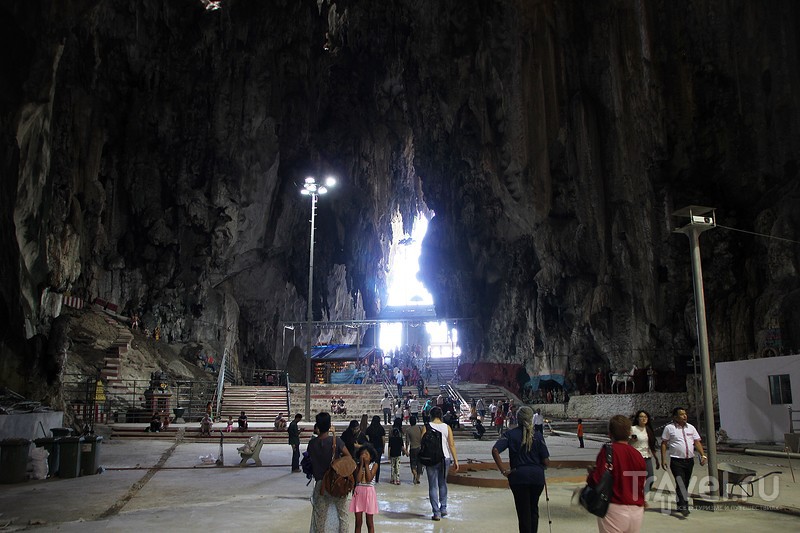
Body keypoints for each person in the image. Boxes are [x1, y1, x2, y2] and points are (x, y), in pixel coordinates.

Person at [492, 406, 550, 533]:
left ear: (517, 419)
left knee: (523, 512)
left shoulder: (510, 434)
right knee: (533, 509)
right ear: (531, 419)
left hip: (518, 477)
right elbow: (546, 461)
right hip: (537, 477)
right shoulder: (538, 436)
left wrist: (504, 471)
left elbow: (495, 450)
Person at [587, 415, 646, 532]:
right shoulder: (637, 454)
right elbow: (641, 481)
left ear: (610, 434)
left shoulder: (608, 451)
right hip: (636, 510)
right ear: (629, 432)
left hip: (615, 507)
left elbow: (596, 479)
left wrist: (592, 473)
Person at [306, 412, 351, 533]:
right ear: (330, 425)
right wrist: (334, 434)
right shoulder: (336, 441)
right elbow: (348, 457)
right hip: (337, 482)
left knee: (320, 517)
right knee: (343, 515)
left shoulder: (312, 444)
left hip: (320, 484)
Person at [660, 406, 706, 517]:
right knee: (680, 482)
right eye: (681, 414)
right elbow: (664, 444)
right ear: (675, 417)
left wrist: (703, 455)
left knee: (685, 482)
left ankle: (680, 502)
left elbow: (697, 442)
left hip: (689, 460)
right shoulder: (669, 428)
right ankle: (683, 507)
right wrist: (663, 459)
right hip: (676, 461)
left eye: (685, 414)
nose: (684, 416)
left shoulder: (691, 428)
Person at [422, 406, 459, 521]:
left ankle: (436, 513)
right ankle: (443, 508)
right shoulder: (446, 427)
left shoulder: (426, 427)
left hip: (430, 459)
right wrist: (456, 460)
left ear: (431, 415)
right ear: (441, 415)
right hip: (445, 458)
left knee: (432, 486)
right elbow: (451, 445)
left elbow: (422, 444)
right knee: (442, 484)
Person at [350, 443, 379, 533]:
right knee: (358, 522)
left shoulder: (374, 465)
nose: (364, 456)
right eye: (362, 454)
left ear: (371, 456)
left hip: (369, 493)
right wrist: (362, 464)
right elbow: (358, 480)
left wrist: (366, 465)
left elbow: (369, 478)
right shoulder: (357, 466)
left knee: (369, 522)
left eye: (366, 454)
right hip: (359, 493)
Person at [630, 410, 659, 496]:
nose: (643, 419)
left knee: (650, 478)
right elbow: (625, 441)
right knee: (636, 479)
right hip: (635, 457)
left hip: (647, 457)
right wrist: (631, 439)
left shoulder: (648, 430)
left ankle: (642, 495)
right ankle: (635, 497)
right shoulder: (633, 429)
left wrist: (656, 459)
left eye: (645, 417)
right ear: (637, 418)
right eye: (641, 417)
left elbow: (651, 445)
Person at [365, 415, 386, 483]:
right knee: (377, 463)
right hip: (379, 447)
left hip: (371, 448)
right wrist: (383, 447)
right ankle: (377, 479)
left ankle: (369, 476)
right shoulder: (381, 429)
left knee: (369, 462)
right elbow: (383, 440)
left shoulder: (369, 429)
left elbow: (367, 439)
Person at [404, 415, 424, 484]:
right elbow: (423, 438)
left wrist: (406, 450)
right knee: (419, 463)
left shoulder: (408, 430)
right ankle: (418, 479)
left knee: (413, 463)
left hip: (413, 449)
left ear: (410, 422)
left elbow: (407, 441)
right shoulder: (420, 428)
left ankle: (414, 474)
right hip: (420, 448)